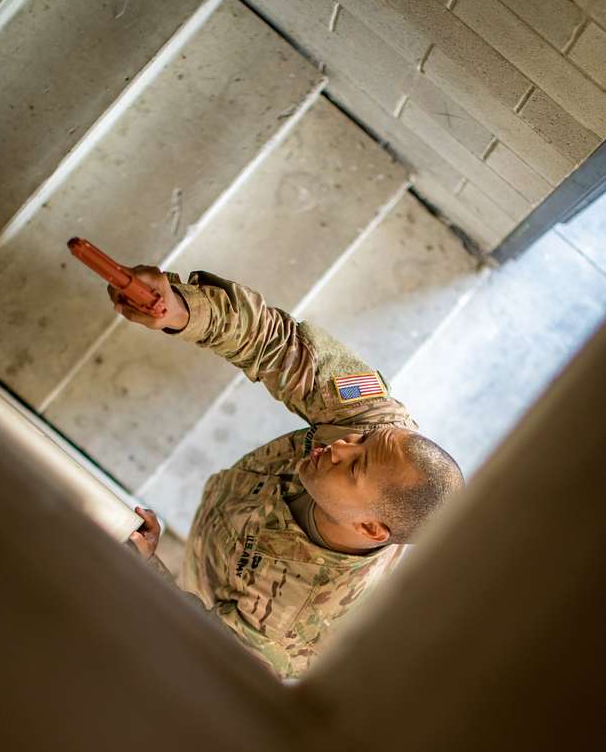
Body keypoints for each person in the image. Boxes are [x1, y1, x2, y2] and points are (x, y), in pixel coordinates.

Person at [110, 266, 464, 678]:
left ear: (370, 529)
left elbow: (206, 655)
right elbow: (282, 345)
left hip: (214, 584)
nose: (341, 445)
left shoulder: (294, 624)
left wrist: (148, 569)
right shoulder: (377, 426)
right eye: (360, 442)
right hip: (226, 517)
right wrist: (183, 310)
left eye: (354, 467)